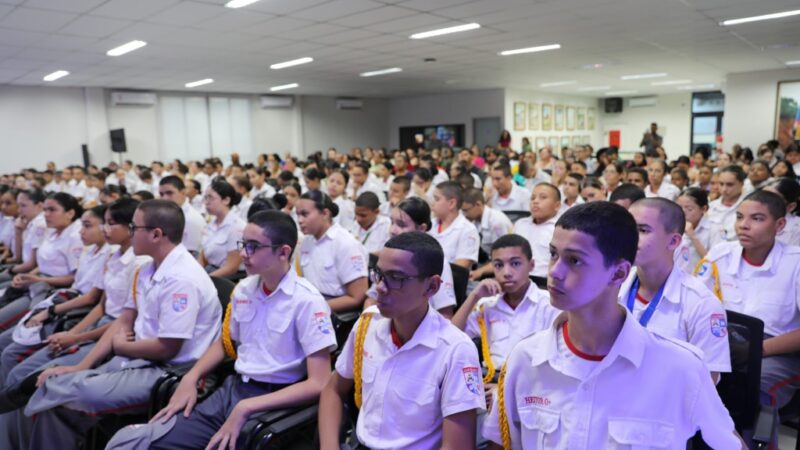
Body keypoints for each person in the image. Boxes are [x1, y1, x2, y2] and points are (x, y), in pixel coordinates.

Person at [483, 202, 742, 450]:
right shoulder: (526, 359)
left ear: (618, 273)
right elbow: (502, 443)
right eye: (553, 255)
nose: (555, 272)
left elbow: (729, 444)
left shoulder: (680, 368)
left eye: (574, 260)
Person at [105, 210, 337, 449]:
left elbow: (319, 383)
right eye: (243, 244)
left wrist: (247, 407)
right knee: (138, 441)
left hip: (274, 401)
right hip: (233, 390)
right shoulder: (244, 289)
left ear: (283, 252)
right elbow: (225, 343)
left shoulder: (307, 301)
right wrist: (191, 377)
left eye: (254, 247)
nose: (244, 254)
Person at [10, 200, 221, 450]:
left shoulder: (182, 279)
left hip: (168, 370)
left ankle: (15, 402)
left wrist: (122, 348)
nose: (130, 232)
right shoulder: (147, 269)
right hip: (136, 359)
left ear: (156, 234)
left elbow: (167, 348)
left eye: (135, 227)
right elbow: (124, 319)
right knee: (54, 394)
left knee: (57, 390)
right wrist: (81, 365)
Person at [318, 232, 485, 450]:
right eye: (379, 274)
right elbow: (333, 389)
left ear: (432, 287)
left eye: (396, 278)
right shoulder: (368, 323)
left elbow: (457, 446)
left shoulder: (455, 349)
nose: (379, 286)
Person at [694, 190, 800, 446]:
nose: (744, 225)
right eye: (740, 217)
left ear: (780, 225)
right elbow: (695, 305)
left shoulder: (795, 263)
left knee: (753, 390)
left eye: (757, 218)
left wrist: (756, 350)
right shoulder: (721, 254)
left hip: (778, 352)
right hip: (723, 342)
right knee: (686, 381)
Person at [451, 235, 559, 428]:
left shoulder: (548, 305)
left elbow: (552, 364)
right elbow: (451, 338)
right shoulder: (487, 305)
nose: (507, 272)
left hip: (532, 384)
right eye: (498, 265)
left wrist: (504, 389)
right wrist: (474, 296)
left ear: (532, 265)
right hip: (486, 382)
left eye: (515, 263)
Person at [0, 204, 112, 386]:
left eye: (88, 226)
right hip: (61, 296)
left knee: (13, 358)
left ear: (69, 213)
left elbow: (93, 299)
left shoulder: (110, 254)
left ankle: (8, 406)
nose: (81, 231)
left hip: (76, 310)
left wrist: (51, 311)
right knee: (7, 344)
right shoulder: (91, 249)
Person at [622, 198, 731, 381]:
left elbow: (707, 379)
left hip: (665, 402)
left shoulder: (701, 303)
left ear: (673, 241)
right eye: (627, 228)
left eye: (642, 230)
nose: (629, 237)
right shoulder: (612, 286)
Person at [0, 193, 84, 331]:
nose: (46, 214)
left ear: (70, 213)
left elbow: (73, 278)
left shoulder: (75, 237)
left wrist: (35, 278)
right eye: (45, 210)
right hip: (38, 283)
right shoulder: (53, 232)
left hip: (51, 290)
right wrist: (28, 276)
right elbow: (42, 264)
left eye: (52, 210)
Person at [364, 197, 457, 318]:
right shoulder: (388, 254)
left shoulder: (437, 262)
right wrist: (369, 323)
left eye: (401, 225)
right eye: (392, 222)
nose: (392, 230)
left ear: (421, 228)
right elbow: (371, 299)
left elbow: (445, 315)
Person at [295, 190, 368, 313]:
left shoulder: (345, 243)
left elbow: (357, 297)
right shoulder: (307, 242)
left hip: (336, 313)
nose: (300, 220)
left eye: (304, 214)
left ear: (324, 213)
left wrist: (314, 308)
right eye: (298, 215)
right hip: (311, 303)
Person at [198, 179, 246, 279]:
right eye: (205, 197)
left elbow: (232, 267)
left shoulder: (237, 227)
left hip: (228, 278)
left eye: (210, 198)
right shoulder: (212, 223)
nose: (206, 202)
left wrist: (204, 280)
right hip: (210, 271)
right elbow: (203, 255)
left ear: (226, 200)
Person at [429, 181, 480, 269]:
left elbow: (458, 270)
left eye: (437, 199)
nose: (432, 203)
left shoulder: (468, 230)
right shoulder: (430, 224)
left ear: (451, 203)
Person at [461, 188, 512, 270]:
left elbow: (505, 256)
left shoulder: (497, 222)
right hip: (485, 261)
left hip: (501, 265)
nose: (464, 215)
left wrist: (480, 272)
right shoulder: (473, 220)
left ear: (478, 205)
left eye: (466, 210)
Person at [158, 175, 206, 255]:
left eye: (169, 193)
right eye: (161, 194)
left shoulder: (191, 219)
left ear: (183, 192)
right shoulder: (169, 213)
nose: (165, 198)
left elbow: (191, 255)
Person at [674, 187, 712, 274]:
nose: (683, 212)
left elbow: (715, 264)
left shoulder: (714, 228)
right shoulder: (674, 224)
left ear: (704, 209)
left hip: (702, 279)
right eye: (679, 207)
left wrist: (692, 236)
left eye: (689, 209)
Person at [707, 165, 746, 247]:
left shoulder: (748, 208)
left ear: (741, 184)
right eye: (721, 184)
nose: (724, 189)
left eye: (730, 185)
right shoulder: (710, 207)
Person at [765, 177, 800, 247]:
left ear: (790, 207)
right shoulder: (751, 217)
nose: (762, 201)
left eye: (771, 199)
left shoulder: (797, 229)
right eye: (762, 195)